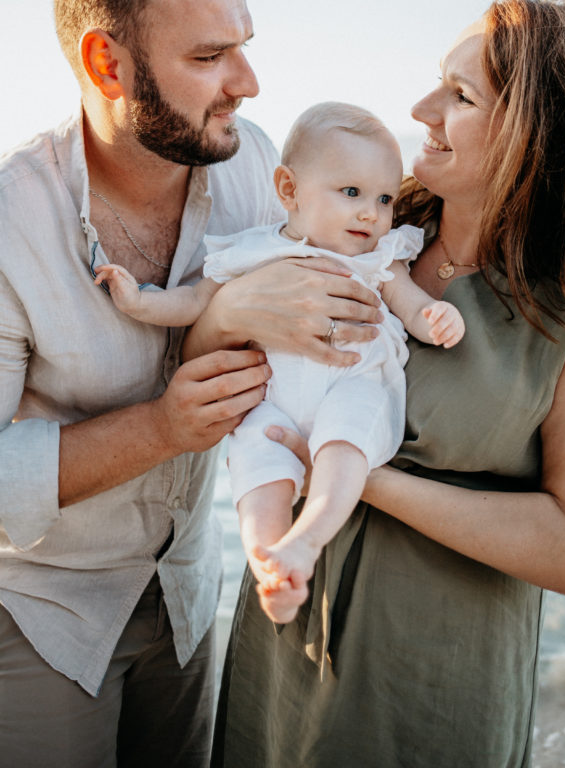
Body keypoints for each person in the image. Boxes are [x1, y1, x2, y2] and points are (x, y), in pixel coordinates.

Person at [205, 0, 565, 768]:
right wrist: (225, 312)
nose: (422, 109)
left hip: (432, 681)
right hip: (285, 637)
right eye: (438, 82)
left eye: (460, 97)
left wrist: (362, 478)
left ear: (540, 132)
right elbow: (217, 355)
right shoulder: (364, 229)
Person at [0, 0, 383, 768]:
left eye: (241, 45)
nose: (245, 82)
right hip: (40, 620)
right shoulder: (7, 223)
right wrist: (163, 428)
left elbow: (371, 263)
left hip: (190, 598)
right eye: (208, 58)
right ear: (108, 62)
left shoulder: (258, 168)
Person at [93, 102, 465, 622]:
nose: (370, 213)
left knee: (346, 436)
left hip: (353, 384)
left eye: (384, 198)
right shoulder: (252, 250)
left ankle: (308, 540)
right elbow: (196, 302)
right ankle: (271, 560)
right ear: (289, 190)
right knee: (256, 456)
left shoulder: (379, 257)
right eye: (351, 193)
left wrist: (437, 318)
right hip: (275, 402)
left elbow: (411, 304)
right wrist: (139, 302)